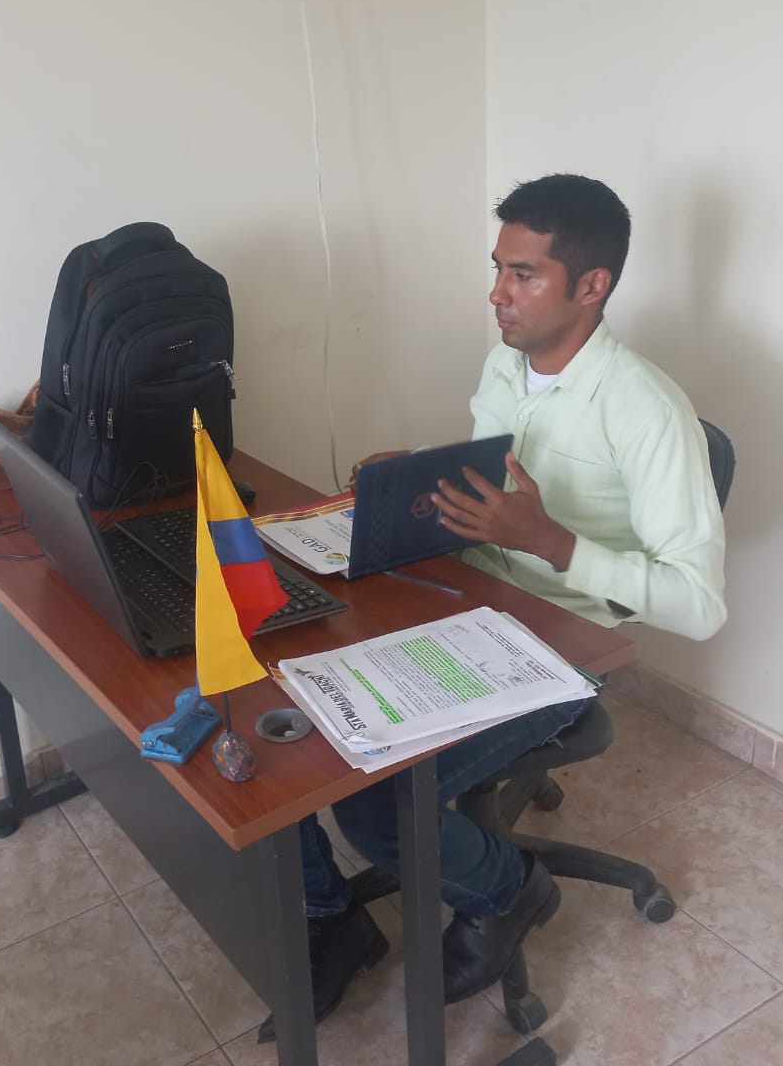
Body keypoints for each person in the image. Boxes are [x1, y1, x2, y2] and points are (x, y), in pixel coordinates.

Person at [259, 173, 726, 1041]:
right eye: (498, 268)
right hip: (467, 591)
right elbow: (492, 477)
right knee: (278, 708)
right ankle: (330, 919)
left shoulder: (647, 410)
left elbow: (699, 605)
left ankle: (511, 892)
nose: (497, 293)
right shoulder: (506, 362)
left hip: (564, 643)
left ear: (592, 285)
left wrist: (551, 541)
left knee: (373, 805)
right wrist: (413, 476)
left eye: (523, 274)